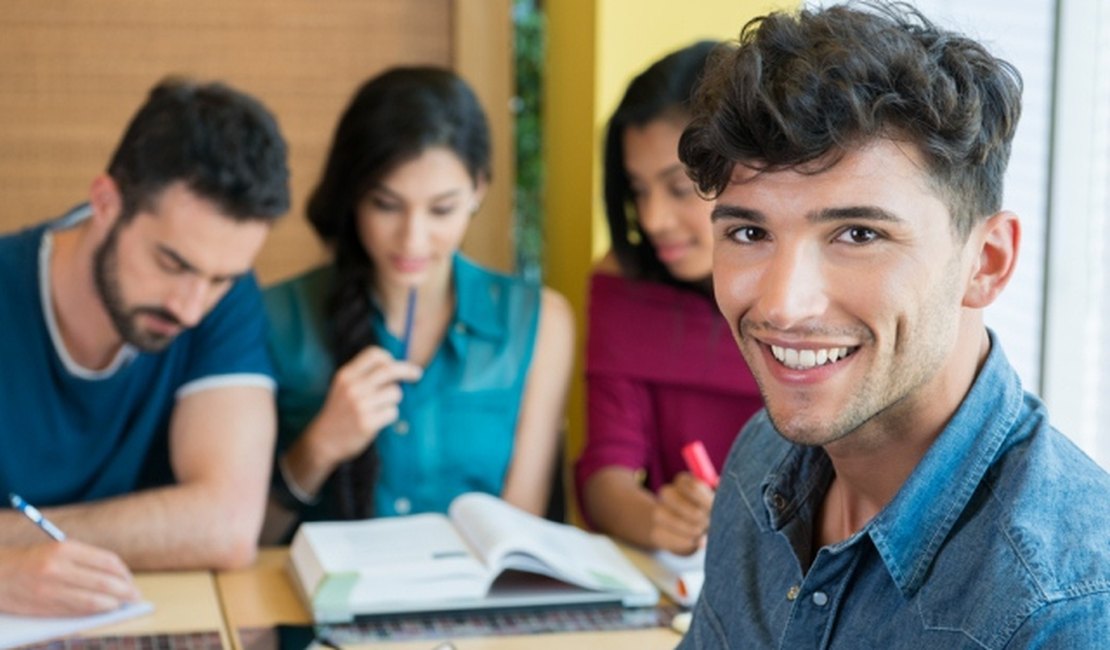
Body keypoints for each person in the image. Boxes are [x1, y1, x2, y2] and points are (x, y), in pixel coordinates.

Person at [676, 3, 1110, 647]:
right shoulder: (758, 461)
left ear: (986, 262)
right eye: (749, 231)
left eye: (858, 234)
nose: (783, 306)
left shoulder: (1062, 609)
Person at [0, 79, 290, 616]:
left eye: (222, 278)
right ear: (106, 202)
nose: (191, 308)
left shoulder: (221, 298)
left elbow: (227, 523)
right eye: (171, 263)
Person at [261, 67, 574, 541]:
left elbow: (519, 534)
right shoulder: (275, 316)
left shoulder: (540, 322)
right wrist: (320, 446)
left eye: (441, 209)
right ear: (354, 196)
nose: (412, 239)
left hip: (471, 610)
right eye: (386, 205)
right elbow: (248, 537)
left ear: (479, 189)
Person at [574, 42, 762, 555]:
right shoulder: (625, 283)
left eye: (678, 189)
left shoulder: (807, 300)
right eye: (638, 190)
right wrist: (660, 521)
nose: (651, 220)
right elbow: (604, 476)